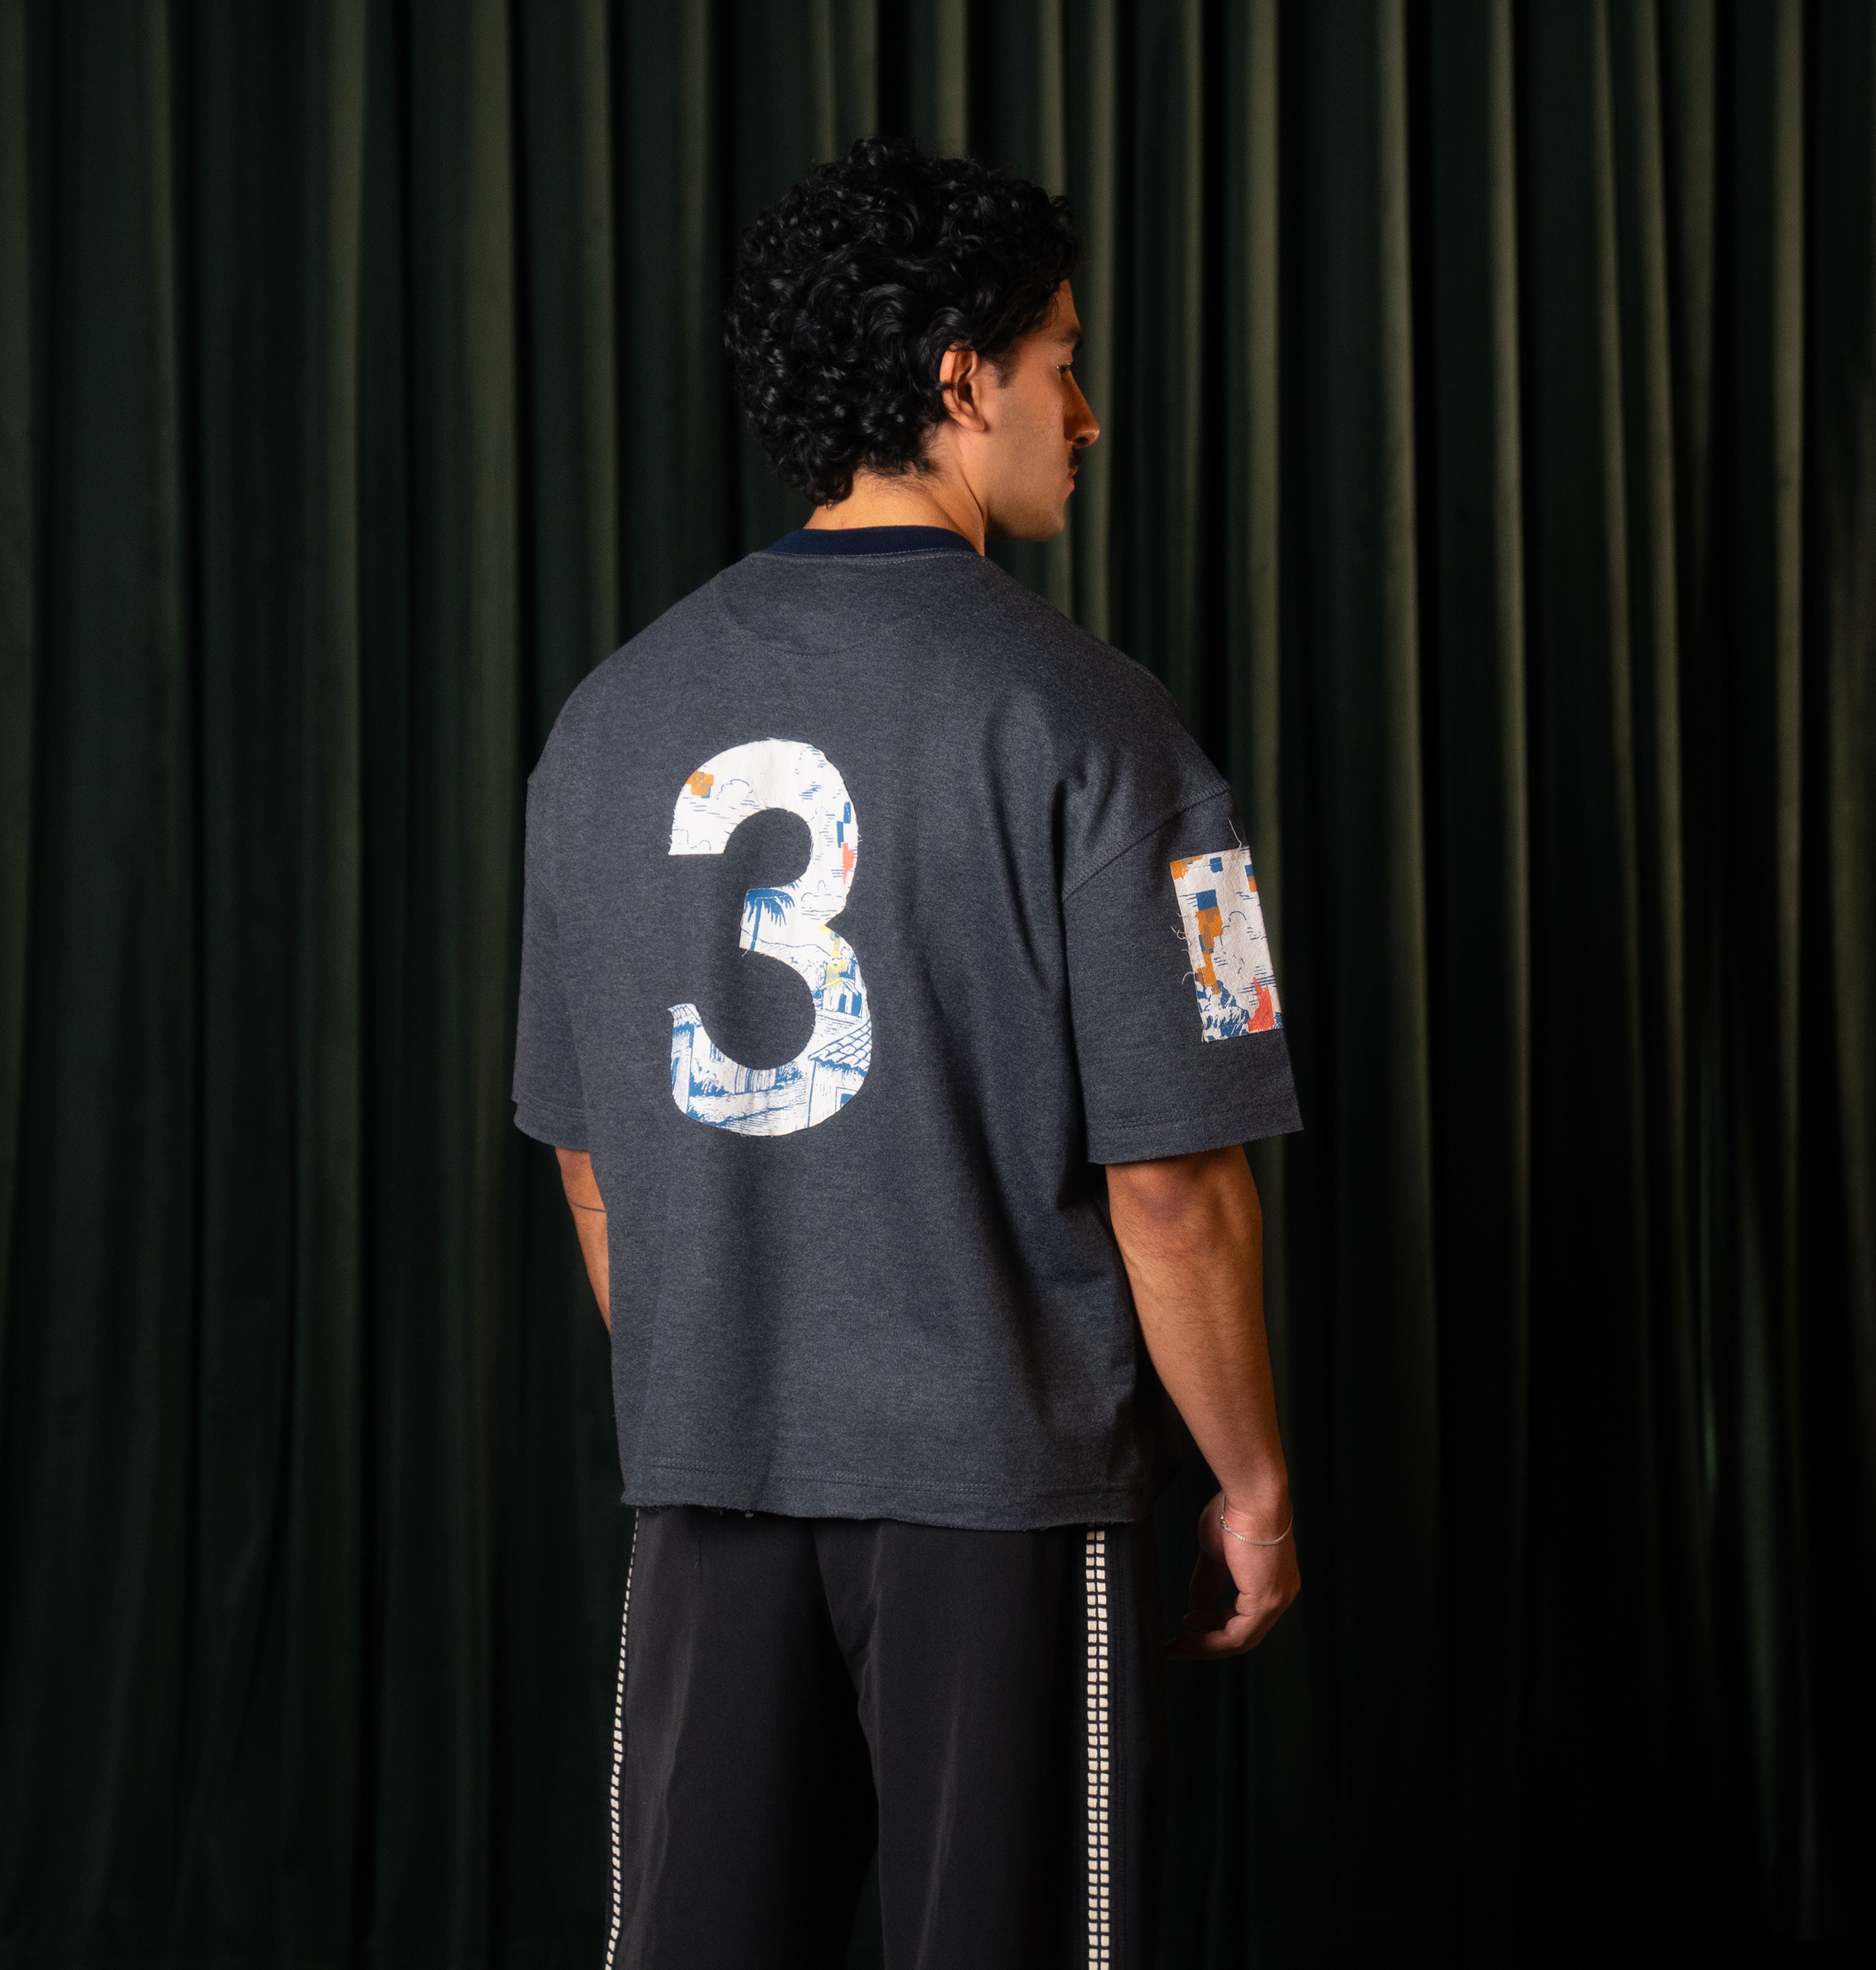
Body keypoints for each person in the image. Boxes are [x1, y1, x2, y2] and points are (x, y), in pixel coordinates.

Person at [511, 135, 1303, 1970]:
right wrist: (1254, 1484)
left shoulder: (605, 722)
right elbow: (1176, 1187)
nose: (1083, 415)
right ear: (962, 379)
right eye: (1060, 362)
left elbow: (592, 1163)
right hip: (1002, 1501)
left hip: (709, 1476)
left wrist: (745, 1371)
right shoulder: (1104, 729)